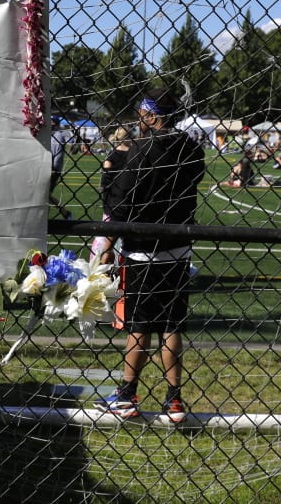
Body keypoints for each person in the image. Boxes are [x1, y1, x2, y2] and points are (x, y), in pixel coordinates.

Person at [93, 90, 206, 424]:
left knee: (138, 325)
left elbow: (118, 205)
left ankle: (127, 394)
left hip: (142, 248)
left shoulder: (139, 151)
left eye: (141, 113)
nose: (138, 119)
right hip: (178, 246)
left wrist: (108, 245)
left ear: (152, 115)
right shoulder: (191, 148)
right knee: (171, 325)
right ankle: (174, 401)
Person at [91, 126, 133, 264]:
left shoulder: (112, 156)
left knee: (106, 232)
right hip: (130, 199)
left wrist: (103, 186)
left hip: (112, 201)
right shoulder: (134, 154)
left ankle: (99, 261)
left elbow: (105, 181)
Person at [49, 117, 73, 220]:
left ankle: (65, 212)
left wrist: (54, 169)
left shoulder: (58, 136)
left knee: (44, 195)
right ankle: (64, 212)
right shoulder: (50, 135)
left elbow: (58, 154)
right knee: (45, 195)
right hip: (48, 167)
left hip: (53, 169)